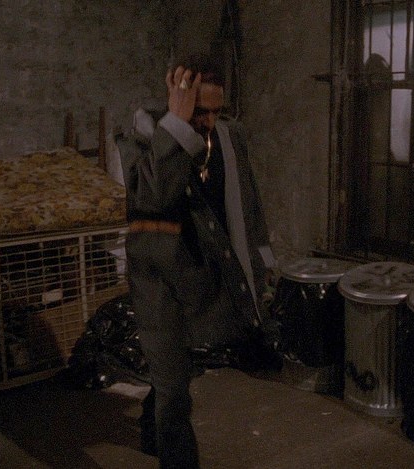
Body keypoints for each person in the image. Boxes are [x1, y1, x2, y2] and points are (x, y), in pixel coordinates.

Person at [116, 54, 275, 468]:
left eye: (215, 110)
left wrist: (262, 261)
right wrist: (177, 122)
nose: (208, 120)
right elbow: (153, 197)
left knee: (174, 373)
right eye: (200, 110)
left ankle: (151, 428)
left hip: (200, 274)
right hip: (157, 278)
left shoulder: (228, 136)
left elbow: (248, 201)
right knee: (174, 388)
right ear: (176, 93)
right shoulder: (141, 137)